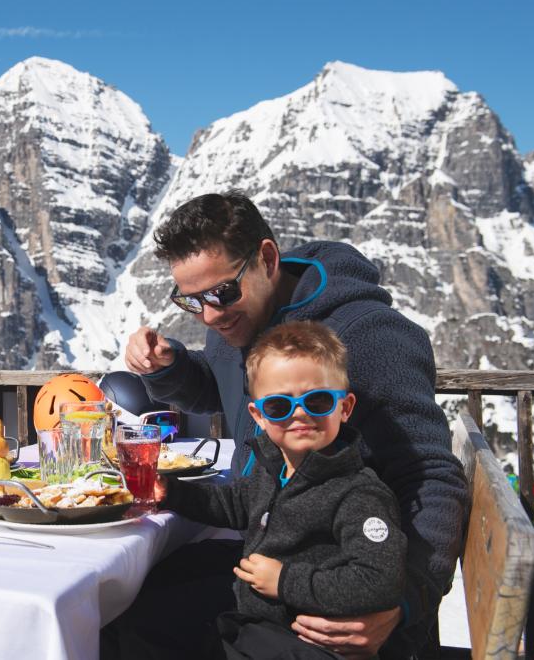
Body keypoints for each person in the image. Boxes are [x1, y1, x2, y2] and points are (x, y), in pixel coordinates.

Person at [119, 192, 468, 658]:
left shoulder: (367, 336)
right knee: (127, 595)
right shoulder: (236, 319)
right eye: (192, 300)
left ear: (266, 258)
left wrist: (403, 605)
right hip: (272, 552)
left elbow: (430, 477)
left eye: (221, 293)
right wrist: (169, 367)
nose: (210, 314)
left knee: (135, 628)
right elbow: (224, 387)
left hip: (337, 596)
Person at [158, 321, 406, 659]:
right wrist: (169, 493)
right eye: (279, 406)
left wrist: (285, 581)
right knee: (151, 610)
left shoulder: (358, 494)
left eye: (317, 401)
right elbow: (234, 505)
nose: (300, 413)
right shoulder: (273, 466)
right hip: (261, 626)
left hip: (304, 644)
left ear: (344, 408)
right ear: (258, 416)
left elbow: (379, 580)